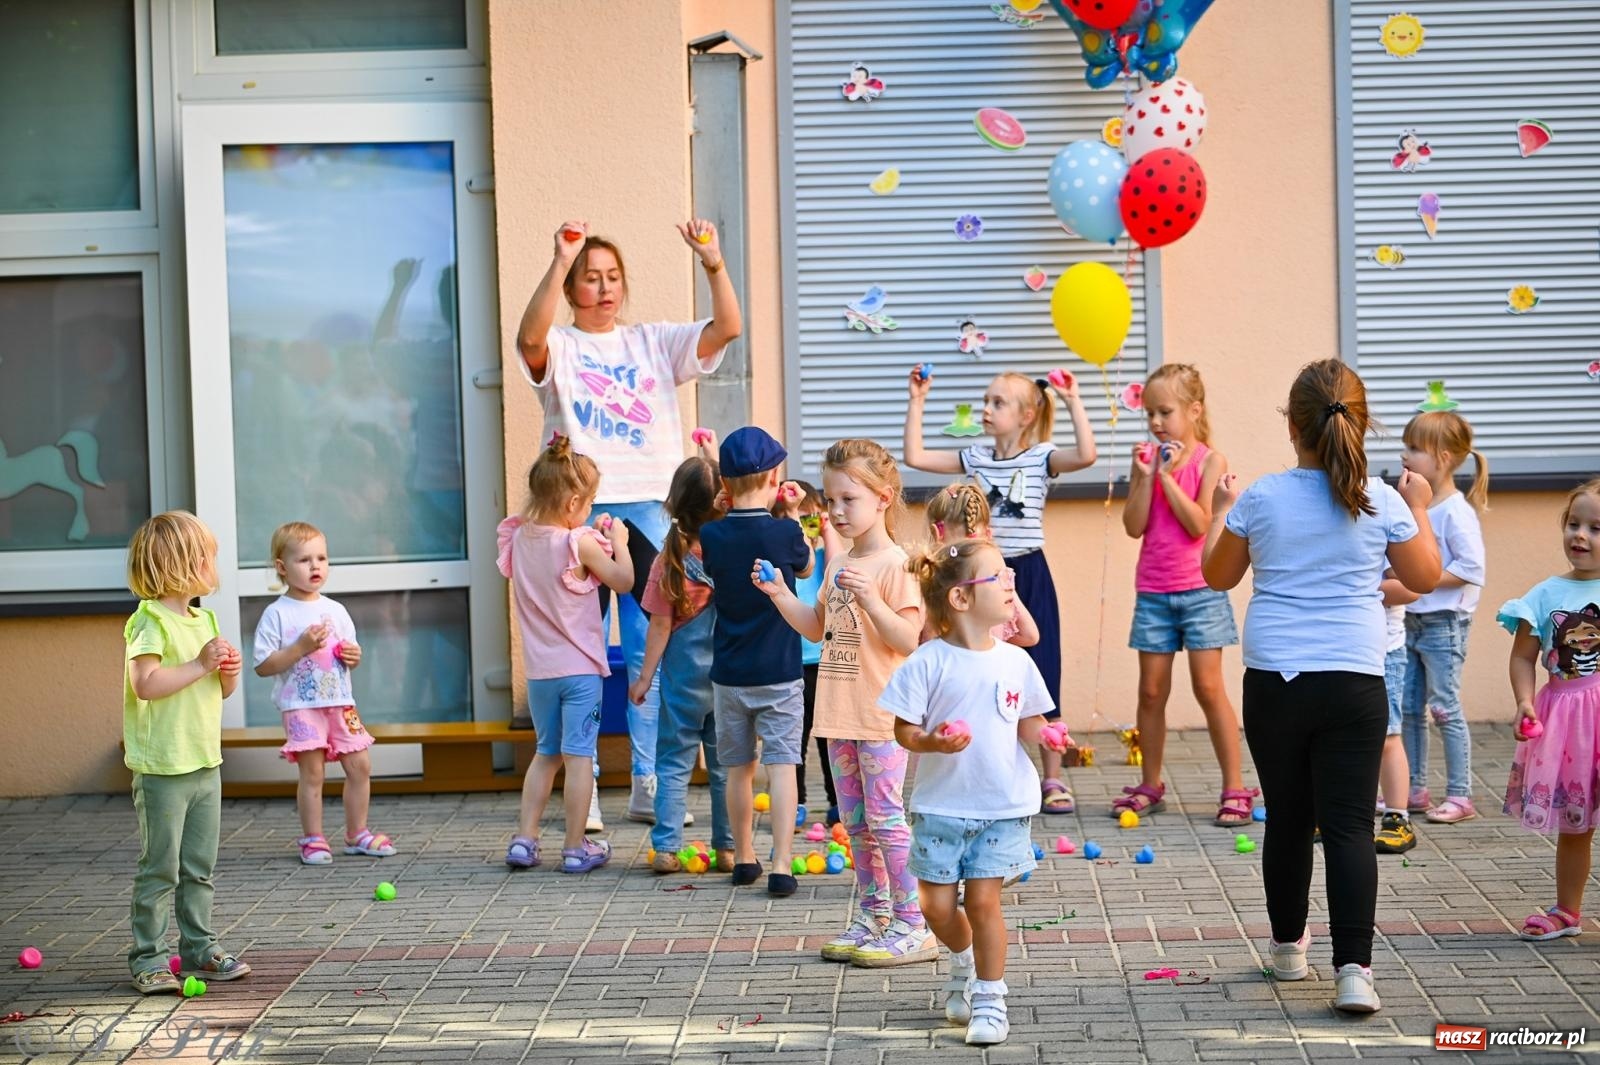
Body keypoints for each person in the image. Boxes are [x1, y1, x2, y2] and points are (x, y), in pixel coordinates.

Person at [1202, 359, 1439, 1014]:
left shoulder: (1264, 497)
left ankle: (1287, 950)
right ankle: (1354, 971)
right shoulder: (1382, 499)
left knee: (1288, 818)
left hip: (1276, 680)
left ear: (1292, 426)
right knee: (1347, 827)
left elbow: (1217, 574)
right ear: (1358, 424)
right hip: (1353, 681)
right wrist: (1418, 505)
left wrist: (1223, 512)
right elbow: (1422, 575)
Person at [516, 217, 741, 827]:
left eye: (613, 277)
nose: (604, 288)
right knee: (578, 649)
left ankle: (647, 781)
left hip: (648, 505)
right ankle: (581, 792)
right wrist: (559, 259)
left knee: (649, 649)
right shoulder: (561, 345)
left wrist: (712, 261)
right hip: (578, 510)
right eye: (590, 279)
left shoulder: (652, 341)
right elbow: (528, 338)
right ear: (573, 289)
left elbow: (728, 327)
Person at [885, 538, 1067, 1045]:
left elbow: (1029, 723)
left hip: (1001, 806)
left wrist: (1048, 734)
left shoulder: (1015, 661)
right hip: (939, 807)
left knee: (984, 901)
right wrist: (931, 742)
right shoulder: (927, 661)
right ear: (961, 599)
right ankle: (963, 961)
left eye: (1009, 574)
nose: (1011, 582)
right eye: (997, 576)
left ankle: (990, 999)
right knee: (936, 908)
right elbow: (904, 731)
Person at [759, 439, 929, 966]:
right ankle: (873, 914)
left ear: (884, 497)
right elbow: (817, 628)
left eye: (847, 499)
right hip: (839, 714)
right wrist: (780, 595)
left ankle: (913, 922)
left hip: (881, 717)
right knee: (855, 823)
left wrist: (873, 600)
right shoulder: (836, 566)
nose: (835, 511)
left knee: (886, 818)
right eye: (830, 500)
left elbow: (907, 639)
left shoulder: (897, 565)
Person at [905, 365, 1096, 814]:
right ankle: (982, 765)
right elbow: (915, 456)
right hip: (976, 575)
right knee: (979, 668)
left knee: (1041, 666)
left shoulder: (1042, 457)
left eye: (998, 403)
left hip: (1027, 572)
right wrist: (918, 399)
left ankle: (1051, 779)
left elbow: (1085, 455)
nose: (987, 409)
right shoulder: (975, 457)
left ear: (1027, 415)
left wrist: (1073, 401)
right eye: (986, 401)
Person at [122, 511, 252, 994]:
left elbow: (219, 691)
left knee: (199, 867)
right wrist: (201, 663)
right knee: (160, 867)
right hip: (162, 767)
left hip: (204, 762)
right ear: (181, 564)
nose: (214, 563)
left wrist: (228, 670)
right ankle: (149, 958)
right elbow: (147, 684)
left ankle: (199, 947)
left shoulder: (206, 618)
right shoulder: (149, 620)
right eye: (208, 556)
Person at [1118, 364, 1251, 826]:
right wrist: (1144, 477)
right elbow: (1134, 525)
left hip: (1201, 590)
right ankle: (1150, 783)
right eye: (1149, 412)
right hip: (1153, 591)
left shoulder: (1210, 461)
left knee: (1208, 687)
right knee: (1151, 692)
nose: (1156, 422)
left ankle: (1234, 786)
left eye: (1165, 411)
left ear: (1193, 411)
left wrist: (1169, 478)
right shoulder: (1148, 461)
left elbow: (1199, 524)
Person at [499, 434, 634, 874]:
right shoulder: (580, 542)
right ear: (574, 501)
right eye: (590, 502)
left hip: (541, 672)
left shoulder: (518, 538)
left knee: (545, 753)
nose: (592, 510)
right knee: (580, 757)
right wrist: (621, 540)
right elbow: (623, 581)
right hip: (580, 671)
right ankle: (577, 847)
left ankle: (524, 839)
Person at [698, 426, 812, 895]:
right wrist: (793, 512)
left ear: (724, 484)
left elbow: (714, 569)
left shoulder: (712, 535)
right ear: (774, 478)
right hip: (780, 672)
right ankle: (782, 862)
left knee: (738, 768)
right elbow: (804, 566)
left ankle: (743, 857)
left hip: (729, 673)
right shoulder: (785, 531)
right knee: (782, 766)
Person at [252, 522, 395, 865]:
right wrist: (300, 647)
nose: (315, 566)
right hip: (302, 707)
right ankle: (313, 838)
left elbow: (349, 654)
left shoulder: (336, 610)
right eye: (304, 560)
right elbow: (263, 665)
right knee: (312, 773)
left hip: (340, 703)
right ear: (282, 567)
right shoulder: (277, 614)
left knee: (360, 765)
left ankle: (357, 833)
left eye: (321, 558)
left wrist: (353, 656)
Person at [1500, 478, 1600, 941]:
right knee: (1577, 825)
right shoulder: (1544, 595)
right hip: (1567, 724)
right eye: (1574, 524)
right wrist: (1524, 701)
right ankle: (1568, 911)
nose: (1581, 535)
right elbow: (1523, 657)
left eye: (1596, 528)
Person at [631, 456, 731, 873]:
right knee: (725, 767)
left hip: (681, 683)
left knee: (673, 763)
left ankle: (667, 848)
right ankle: (728, 848)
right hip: (727, 680)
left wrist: (644, 677)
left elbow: (658, 626)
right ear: (722, 503)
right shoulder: (731, 554)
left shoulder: (667, 560)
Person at [1399, 408, 1490, 824]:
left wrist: (1422, 579)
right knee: (1409, 706)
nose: (1406, 454)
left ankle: (1460, 794)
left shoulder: (1455, 510)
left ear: (1446, 457)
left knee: (1444, 708)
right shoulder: (1415, 505)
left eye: (1416, 448)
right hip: (1411, 621)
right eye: (1407, 445)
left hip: (1443, 626)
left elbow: (1471, 569)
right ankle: (1414, 788)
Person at [773, 478, 840, 826]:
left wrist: (826, 531)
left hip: (820, 659)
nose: (806, 528)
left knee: (827, 735)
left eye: (812, 519)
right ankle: (795, 802)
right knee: (793, 737)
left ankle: (836, 801)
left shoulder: (818, 556)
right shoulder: (785, 556)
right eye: (801, 520)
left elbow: (834, 569)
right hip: (789, 660)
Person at [924, 482, 1039, 647]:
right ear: (988, 535)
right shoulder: (999, 580)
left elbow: (927, 644)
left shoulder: (932, 582)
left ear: (937, 534)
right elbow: (1029, 636)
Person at [1374, 573, 1422, 855]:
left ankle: (1397, 815)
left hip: (1383, 652)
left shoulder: (1384, 526)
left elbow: (1411, 587)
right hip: (1330, 651)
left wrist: (1356, 583)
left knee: (1387, 735)